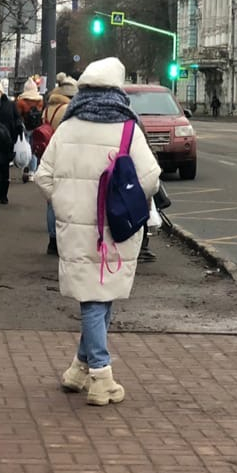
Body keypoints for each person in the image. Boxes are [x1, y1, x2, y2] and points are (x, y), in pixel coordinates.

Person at [34, 57, 161, 406]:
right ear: (117, 91)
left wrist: (65, 204)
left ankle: (79, 368)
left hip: (75, 228)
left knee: (97, 296)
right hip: (114, 226)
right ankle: (101, 377)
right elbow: (151, 177)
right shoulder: (127, 129)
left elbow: (43, 175)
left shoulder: (70, 126)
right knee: (96, 299)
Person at [41, 72, 78, 254]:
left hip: (47, 152)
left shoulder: (48, 108)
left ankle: (52, 239)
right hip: (63, 153)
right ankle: (62, 237)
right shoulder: (67, 109)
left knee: (51, 199)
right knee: (64, 196)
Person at [0, 80, 22, 204]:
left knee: (4, 169)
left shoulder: (10, 104)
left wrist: (18, 128)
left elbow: (17, 117)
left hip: (8, 141)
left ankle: (3, 195)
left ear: (2, 92)